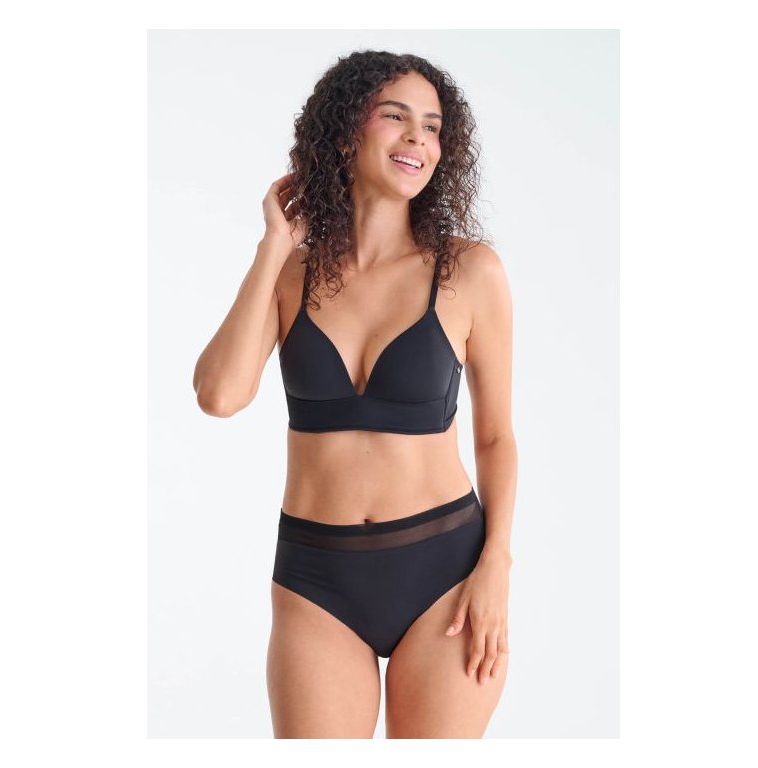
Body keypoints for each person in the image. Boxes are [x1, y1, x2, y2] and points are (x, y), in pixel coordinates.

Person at [192, 51, 517, 738]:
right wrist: (273, 246)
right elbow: (219, 395)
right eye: (395, 117)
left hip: (446, 574)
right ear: (345, 133)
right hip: (316, 580)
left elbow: (495, 437)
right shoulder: (291, 274)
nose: (417, 138)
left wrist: (496, 565)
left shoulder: (469, 272)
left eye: (432, 126)